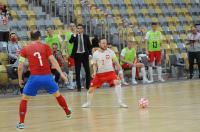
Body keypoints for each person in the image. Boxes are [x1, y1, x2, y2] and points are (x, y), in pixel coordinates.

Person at [16, 31, 71, 129]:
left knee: (24, 99)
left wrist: (20, 79)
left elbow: (20, 67)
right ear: (39, 37)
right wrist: (62, 74)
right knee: (57, 95)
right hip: (47, 77)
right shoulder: (46, 47)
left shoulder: (25, 49)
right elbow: (53, 61)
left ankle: (21, 123)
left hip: (34, 78)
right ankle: (67, 112)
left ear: (30, 37)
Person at [81, 38, 127, 108]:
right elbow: (94, 64)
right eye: (103, 43)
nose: (105, 45)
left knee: (117, 83)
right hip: (100, 74)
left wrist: (120, 72)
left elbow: (116, 63)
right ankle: (88, 103)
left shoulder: (111, 52)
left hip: (110, 73)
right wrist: (94, 72)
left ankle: (120, 102)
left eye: (106, 43)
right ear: (99, 44)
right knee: (90, 90)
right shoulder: (95, 54)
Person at [69, 24, 92, 91]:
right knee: (77, 71)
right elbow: (70, 41)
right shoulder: (74, 36)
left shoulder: (86, 36)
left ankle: (88, 86)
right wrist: (74, 35)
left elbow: (89, 46)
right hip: (77, 55)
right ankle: (79, 87)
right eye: (78, 28)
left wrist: (90, 54)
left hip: (85, 55)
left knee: (87, 71)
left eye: (80, 28)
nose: (79, 29)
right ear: (76, 29)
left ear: (83, 29)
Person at [64, 23, 76, 89]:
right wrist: (65, 53)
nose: (72, 27)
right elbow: (65, 44)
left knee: (77, 69)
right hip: (71, 54)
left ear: (75, 27)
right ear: (69, 27)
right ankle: (71, 84)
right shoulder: (67, 34)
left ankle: (76, 83)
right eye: (71, 26)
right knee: (71, 69)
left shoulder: (77, 34)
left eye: (73, 26)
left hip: (78, 54)